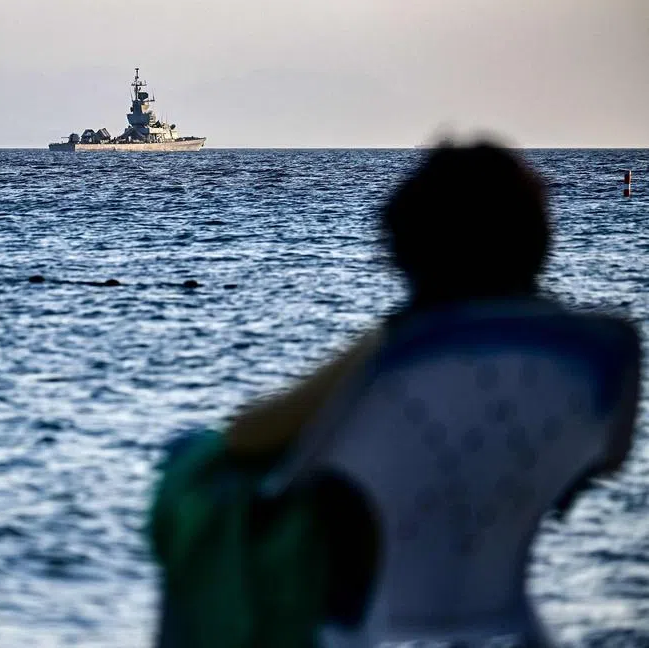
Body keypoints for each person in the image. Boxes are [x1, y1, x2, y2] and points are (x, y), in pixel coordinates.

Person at [153, 138, 640, 648]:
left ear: (405, 245)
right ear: (537, 239)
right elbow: (607, 460)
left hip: (359, 613)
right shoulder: (604, 349)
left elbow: (246, 437)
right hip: (506, 608)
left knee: (194, 468)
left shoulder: (400, 353)